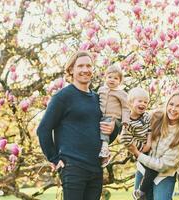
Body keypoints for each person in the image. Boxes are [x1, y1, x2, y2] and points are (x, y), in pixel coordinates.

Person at [36, 51, 118, 200]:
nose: (85, 70)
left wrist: (114, 129)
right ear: (71, 70)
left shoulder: (98, 98)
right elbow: (43, 129)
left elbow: (108, 130)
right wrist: (54, 159)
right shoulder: (62, 97)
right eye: (80, 66)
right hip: (73, 167)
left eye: (88, 66)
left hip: (96, 168)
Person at [128, 90, 179, 200]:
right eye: (171, 104)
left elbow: (162, 165)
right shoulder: (156, 116)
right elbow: (135, 120)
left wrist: (138, 154)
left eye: (178, 106)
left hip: (164, 174)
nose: (173, 109)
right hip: (144, 168)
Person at [119, 87, 159, 198]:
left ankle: (143, 192)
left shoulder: (146, 116)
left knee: (153, 171)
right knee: (152, 169)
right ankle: (140, 192)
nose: (143, 104)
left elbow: (150, 127)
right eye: (140, 101)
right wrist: (138, 150)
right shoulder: (127, 121)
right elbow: (125, 139)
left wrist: (148, 143)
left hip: (148, 146)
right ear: (131, 103)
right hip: (139, 150)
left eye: (145, 102)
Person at [98, 65, 130, 167]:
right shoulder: (101, 90)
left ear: (120, 81)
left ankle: (105, 147)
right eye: (110, 77)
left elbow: (126, 108)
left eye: (116, 78)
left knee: (106, 126)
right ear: (105, 78)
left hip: (113, 117)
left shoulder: (121, 94)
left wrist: (125, 121)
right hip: (100, 116)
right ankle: (103, 153)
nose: (112, 80)